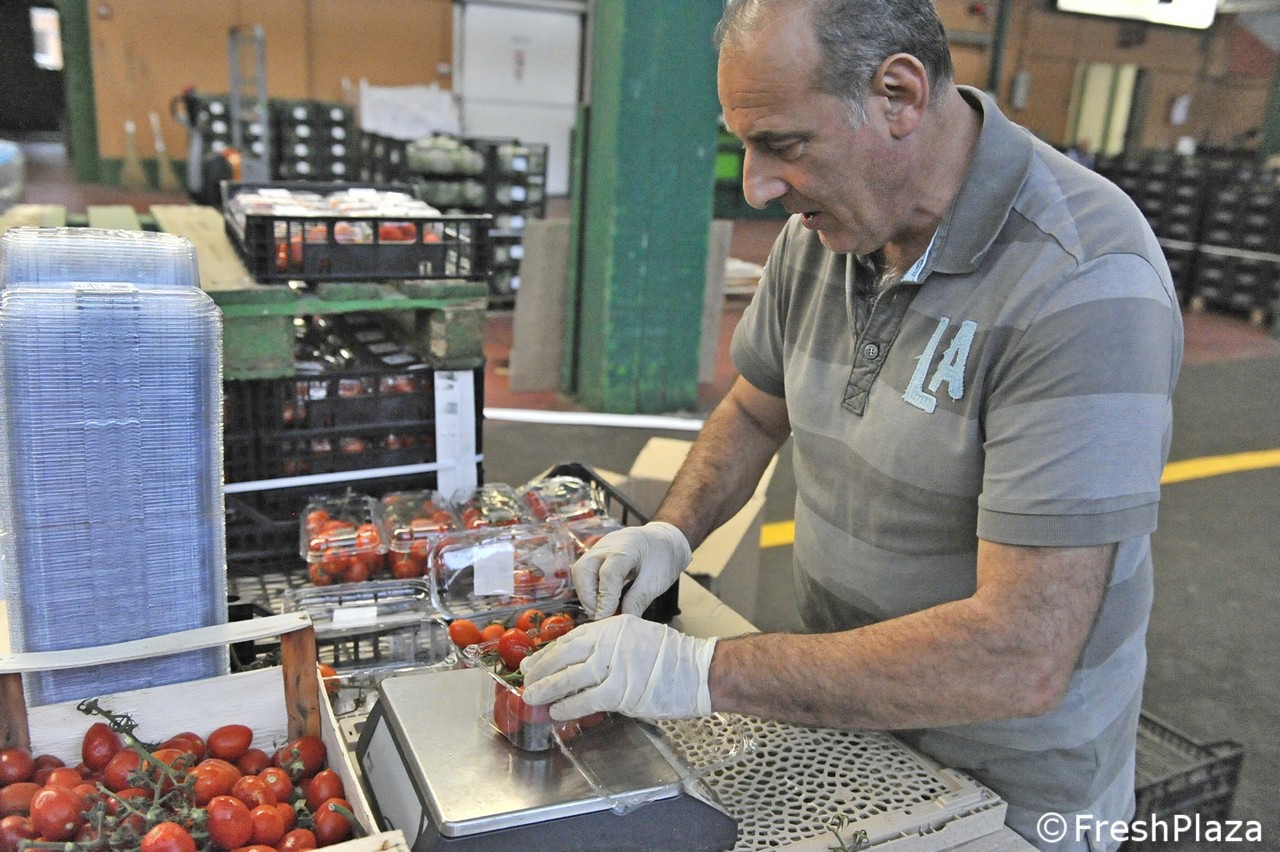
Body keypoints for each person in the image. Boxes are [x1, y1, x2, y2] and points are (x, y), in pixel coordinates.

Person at [520, 1, 1183, 849]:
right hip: (844, 724)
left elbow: (1019, 653)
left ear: (898, 96)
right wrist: (670, 533)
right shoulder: (827, 232)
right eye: (746, 144)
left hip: (1009, 797)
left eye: (784, 144)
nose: (758, 186)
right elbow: (755, 407)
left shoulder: (1082, 283)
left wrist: (702, 671)